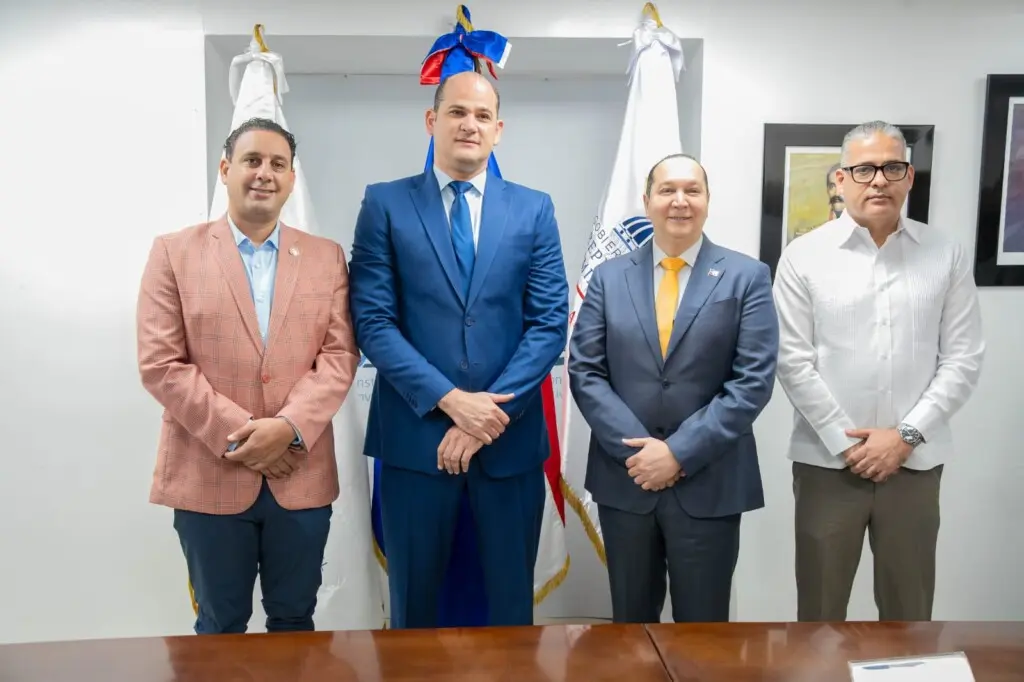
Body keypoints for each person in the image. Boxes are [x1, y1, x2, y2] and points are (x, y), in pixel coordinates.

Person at [347, 71, 569, 629]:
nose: (469, 124)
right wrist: (450, 401)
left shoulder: (534, 209)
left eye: (481, 115)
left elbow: (546, 325)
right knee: (413, 613)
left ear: (498, 129)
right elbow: (373, 322)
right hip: (414, 444)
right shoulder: (385, 204)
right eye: (456, 112)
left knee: (510, 612)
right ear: (432, 121)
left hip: (509, 444)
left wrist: (483, 415)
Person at [136, 117, 360, 634]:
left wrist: (286, 429)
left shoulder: (327, 259)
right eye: (252, 161)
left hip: (299, 478)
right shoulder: (173, 253)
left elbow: (339, 356)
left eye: (278, 164)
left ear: (291, 178)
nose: (265, 173)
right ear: (225, 169)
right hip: (206, 476)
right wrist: (247, 437)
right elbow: (161, 364)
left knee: (294, 620)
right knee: (219, 625)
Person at [773, 120, 985, 622]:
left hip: (913, 464)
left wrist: (905, 436)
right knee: (821, 616)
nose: (878, 181)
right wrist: (849, 445)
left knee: (909, 614)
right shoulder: (804, 255)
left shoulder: (945, 253)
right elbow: (792, 359)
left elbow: (963, 357)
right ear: (840, 179)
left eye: (892, 167)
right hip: (828, 465)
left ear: (910, 177)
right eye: (864, 169)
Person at [567, 153, 779, 623]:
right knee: (631, 627)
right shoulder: (607, 277)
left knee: (703, 635)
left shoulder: (747, 277)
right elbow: (585, 370)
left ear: (707, 201)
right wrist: (642, 455)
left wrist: (678, 452)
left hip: (710, 481)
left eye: (692, 190)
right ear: (647, 201)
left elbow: (752, 381)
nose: (679, 201)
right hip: (628, 479)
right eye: (667, 190)